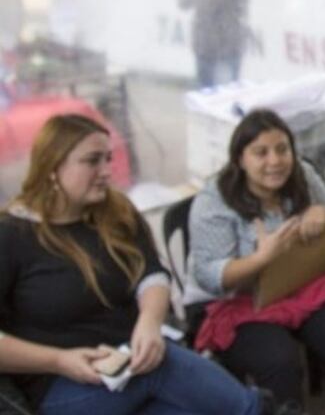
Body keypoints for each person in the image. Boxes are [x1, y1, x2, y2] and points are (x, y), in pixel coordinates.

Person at [0, 114, 269, 415]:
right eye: (92, 161)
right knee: (165, 366)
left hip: (128, 364)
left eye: (108, 159)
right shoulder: (12, 234)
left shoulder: (115, 211)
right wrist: (59, 360)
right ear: (52, 167)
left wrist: (150, 323)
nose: (106, 172)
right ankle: (257, 409)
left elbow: (151, 274)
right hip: (61, 384)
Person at [185, 108, 325, 414]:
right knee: (279, 362)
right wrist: (262, 258)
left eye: (282, 149)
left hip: (296, 282)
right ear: (240, 159)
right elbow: (209, 276)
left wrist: (321, 212)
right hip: (236, 302)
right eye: (261, 152)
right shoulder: (214, 200)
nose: (275, 161)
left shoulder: (301, 173)